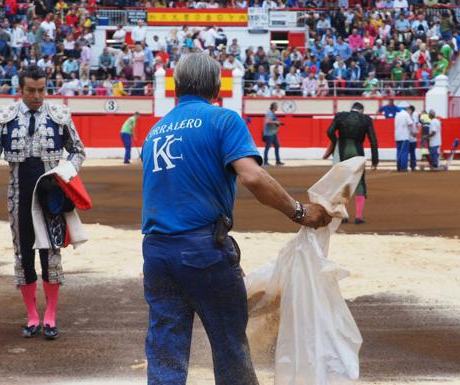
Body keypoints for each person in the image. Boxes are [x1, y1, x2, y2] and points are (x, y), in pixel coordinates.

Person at [140, 53, 331, 385]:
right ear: (216, 87)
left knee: (166, 347)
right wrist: (298, 212)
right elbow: (253, 178)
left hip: (156, 252)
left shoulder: (154, 132)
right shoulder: (223, 120)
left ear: (176, 88)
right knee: (229, 343)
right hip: (202, 250)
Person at [0, 66, 85, 339]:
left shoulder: (58, 115)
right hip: (18, 196)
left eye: (41, 90)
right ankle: (32, 315)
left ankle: (50, 316)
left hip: (51, 197)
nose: (37, 96)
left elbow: (78, 151)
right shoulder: (5, 116)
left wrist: (65, 175)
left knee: (51, 255)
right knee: (24, 255)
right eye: (31, 91)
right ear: (20, 90)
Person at [326, 102, 379, 224]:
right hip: (357, 151)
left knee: (344, 182)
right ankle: (358, 217)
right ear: (361, 110)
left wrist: (336, 143)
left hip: (343, 150)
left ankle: (343, 215)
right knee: (359, 182)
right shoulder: (365, 119)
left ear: (352, 109)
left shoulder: (341, 116)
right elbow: (373, 140)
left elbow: (329, 132)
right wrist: (375, 160)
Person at [394, 104, 414, 171]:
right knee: (404, 152)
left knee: (399, 151)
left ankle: (399, 166)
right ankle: (403, 167)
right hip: (404, 136)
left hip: (397, 136)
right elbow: (410, 123)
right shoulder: (406, 114)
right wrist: (411, 131)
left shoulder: (397, 114)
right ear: (408, 109)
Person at [263, 102, 284, 166]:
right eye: (276, 106)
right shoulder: (269, 113)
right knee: (267, 147)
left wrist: (279, 123)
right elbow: (267, 122)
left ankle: (277, 161)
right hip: (269, 134)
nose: (277, 107)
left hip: (273, 133)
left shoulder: (272, 113)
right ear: (274, 107)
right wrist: (276, 122)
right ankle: (265, 162)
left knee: (277, 146)